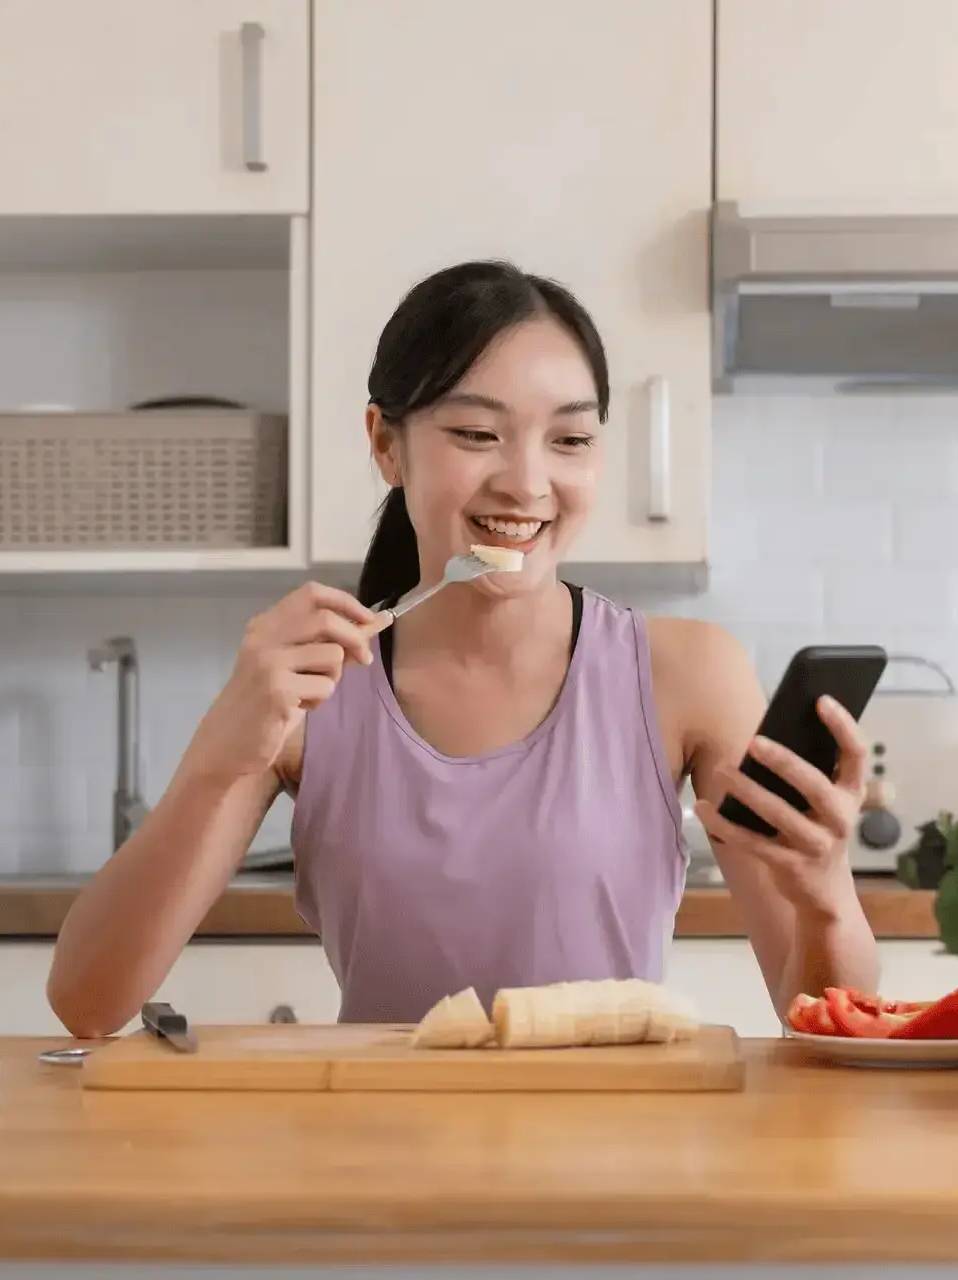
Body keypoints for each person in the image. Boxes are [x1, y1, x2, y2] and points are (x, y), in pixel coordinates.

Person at [47, 260, 882, 1035]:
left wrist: (825, 895)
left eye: (570, 439)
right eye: (478, 435)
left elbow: (828, 1018)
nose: (525, 482)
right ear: (385, 444)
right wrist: (218, 763)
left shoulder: (687, 675)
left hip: (617, 1172)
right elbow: (88, 1003)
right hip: (382, 1172)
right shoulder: (312, 686)